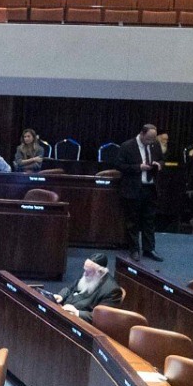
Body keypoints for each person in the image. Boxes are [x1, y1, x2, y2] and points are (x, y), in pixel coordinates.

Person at [116, 124, 165, 262]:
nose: (151, 142)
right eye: (149, 139)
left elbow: (162, 160)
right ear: (142, 134)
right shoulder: (127, 146)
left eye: (153, 139)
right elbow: (119, 165)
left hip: (150, 188)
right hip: (133, 188)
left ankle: (149, 249)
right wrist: (139, 167)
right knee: (133, 221)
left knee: (149, 220)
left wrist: (159, 164)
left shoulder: (155, 145)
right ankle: (134, 250)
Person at [52, 253, 119, 316]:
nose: (85, 274)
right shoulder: (87, 273)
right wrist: (61, 296)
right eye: (85, 270)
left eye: (89, 272)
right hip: (65, 310)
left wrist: (77, 313)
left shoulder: (112, 290)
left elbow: (101, 316)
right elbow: (70, 289)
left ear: (100, 272)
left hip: (79, 321)